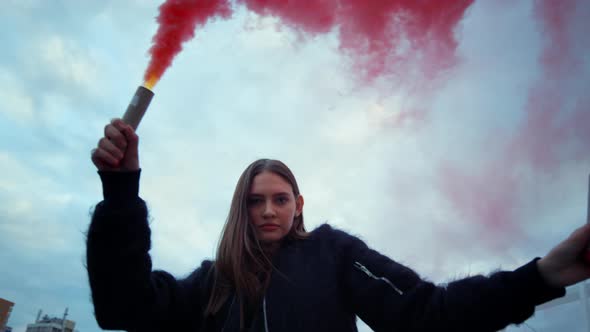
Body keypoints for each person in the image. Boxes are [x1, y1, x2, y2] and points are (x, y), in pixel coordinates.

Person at [87, 118, 590, 332]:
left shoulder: (335, 254)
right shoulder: (211, 282)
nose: (268, 210)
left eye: (280, 199)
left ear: (298, 203)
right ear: (240, 207)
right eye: (256, 200)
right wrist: (120, 192)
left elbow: (428, 314)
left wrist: (539, 276)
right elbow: (123, 307)